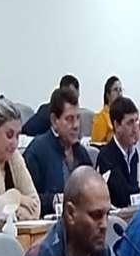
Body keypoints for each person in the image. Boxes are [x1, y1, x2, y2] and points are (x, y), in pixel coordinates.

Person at [24, 86, 92, 215]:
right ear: (54, 121)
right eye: (69, 119)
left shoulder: (81, 153)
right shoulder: (37, 151)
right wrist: (55, 200)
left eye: (78, 118)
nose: (76, 125)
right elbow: (29, 199)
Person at [95, 96, 140, 209]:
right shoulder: (106, 157)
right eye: (130, 123)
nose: (135, 129)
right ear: (117, 125)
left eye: (136, 121)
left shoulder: (135, 153)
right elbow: (122, 197)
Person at [89, 75, 122, 144]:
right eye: (115, 90)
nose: (119, 93)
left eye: (120, 90)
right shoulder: (101, 117)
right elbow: (96, 145)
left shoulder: (124, 116)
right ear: (108, 95)